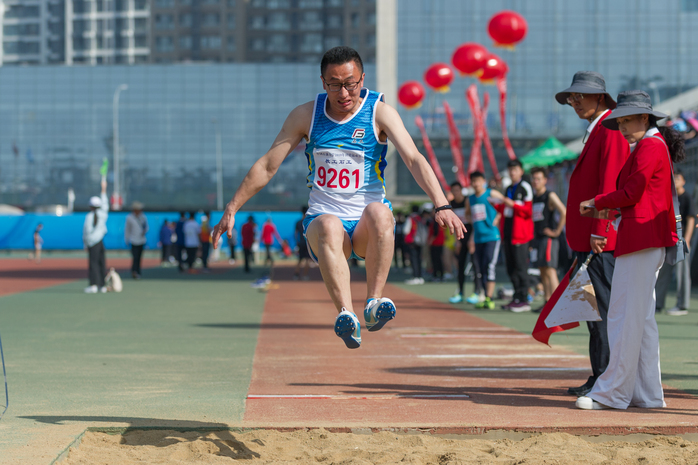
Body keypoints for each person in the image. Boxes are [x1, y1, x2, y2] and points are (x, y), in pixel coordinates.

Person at [212, 46, 465, 349]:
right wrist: (232, 206)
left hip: (365, 229)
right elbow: (268, 165)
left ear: (362, 79)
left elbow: (413, 158)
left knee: (381, 212)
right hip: (324, 225)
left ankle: (373, 304)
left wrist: (442, 204)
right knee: (330, 224)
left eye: (350, 83)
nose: (344, 92)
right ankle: (347, 315)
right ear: (323, 82)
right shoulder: (306, 115)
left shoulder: (379, 112)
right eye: (335, 84)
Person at [577, 90, 683, 410]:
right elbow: (636, 191)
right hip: (642, 238)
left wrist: (598, 202)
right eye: (619, 121)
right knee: (641, 320)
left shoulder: (650, 145)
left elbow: (632, 191)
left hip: (642, 239)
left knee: (625, 318)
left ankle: (614, 393)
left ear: (644, 117)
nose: (622, 127)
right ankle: (647, 394)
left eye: (627, 120)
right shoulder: (649, 145)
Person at [555, 71, 630, 398]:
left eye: (579, 96)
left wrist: (600, 231)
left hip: (599, 241)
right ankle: (600, 376)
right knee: (592, 313)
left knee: (602, 313)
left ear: (600, 97)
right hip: (588, 239)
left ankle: (607, 381)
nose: (574, 102)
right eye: (571, 98)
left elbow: (610, 185)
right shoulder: (597, 129)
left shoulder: (610, 129)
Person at [490, 159, 534, 312]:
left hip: (520, 235)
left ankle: (524, 299)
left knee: (521, 267)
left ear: (521, 171)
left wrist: (511, 204)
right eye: (510, 170)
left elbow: (528, 211)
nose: (512, 172)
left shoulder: (525, 187)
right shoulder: (509, 187)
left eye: (515, 169)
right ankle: (516, 298)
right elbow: (504, 208)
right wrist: (495, 203)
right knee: (511, 268)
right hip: (508, 232)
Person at [655, 169, 695, 316]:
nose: (676, 180)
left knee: (681, 273)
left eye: (678, 178)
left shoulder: (686, 197)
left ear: (684, 181)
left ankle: (682, 305)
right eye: (674, 178)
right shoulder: (669, 197)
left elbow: (691, 219)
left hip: (681, 241)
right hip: (668, 239)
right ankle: (658, 304)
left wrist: (687, 239)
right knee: (663, 272)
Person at [530, 167, 567, 311]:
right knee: (542, 269)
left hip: (549, 238)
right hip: (538, 238)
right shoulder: (534, 198)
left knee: (550, 269)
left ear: (545, 180)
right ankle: (547, 301)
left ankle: (558, 304)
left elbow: (563, 211)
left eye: (538, 178)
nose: (535, 181)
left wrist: (557, 232)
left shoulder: (549, 195)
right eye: (533, 178)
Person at [465, 171, 501, 309]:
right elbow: (468, 214)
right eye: (473, 181)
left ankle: (489, 298)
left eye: (478, 181)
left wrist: (497, 217)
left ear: (483, 181)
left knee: (489, 266)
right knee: (480, 268)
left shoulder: (491, 194)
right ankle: (484, 296)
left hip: (492, 236)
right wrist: (474, 227)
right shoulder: (471, 199)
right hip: (478, 238)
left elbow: (504, 204)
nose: (476, 184)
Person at [448, 181, 479, 304]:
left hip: (471, 236)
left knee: (475, 265)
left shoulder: (468, 201)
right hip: (461, 237)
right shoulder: (452, 204)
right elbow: (454, 225)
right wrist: (457, 241)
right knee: (460, 265)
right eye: (453, 191)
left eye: (457, 190)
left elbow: (474, 221)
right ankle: (460, 292)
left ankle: (477, 292)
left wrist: (472, 239)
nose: (455, 193)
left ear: (461, 190)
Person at [83, 178, 109, 294]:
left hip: (92, 243)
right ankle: (102, 286)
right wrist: (103, 189)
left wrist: (85, 243)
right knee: (101, 263)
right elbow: (105, 204)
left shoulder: (89, 216)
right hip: (100, 242)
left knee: (93, 264)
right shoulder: (103, 214)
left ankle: (93, 285)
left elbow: (86, 232)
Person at [124, 201, 148, 279]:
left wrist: (144, 231)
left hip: (141, 240)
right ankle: (134, 271)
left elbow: (147, 227)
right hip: (133, 240)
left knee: (139, 257)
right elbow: (127, 229)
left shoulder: (143, 217)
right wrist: (127, 239)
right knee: (135, 257)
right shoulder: (129, 217)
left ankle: (138, 271)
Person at [403, 204, 427, 285]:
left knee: (413, 259)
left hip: (412, 241)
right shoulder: (421, 218)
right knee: (419, 259)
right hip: (420, 241)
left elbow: (406, 230)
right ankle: (420, 277)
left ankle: (415, 276)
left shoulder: (411, 218)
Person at [426, 206, 445, 281]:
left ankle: (437, 275)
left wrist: (430, 241)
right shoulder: (437, 220)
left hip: (436, 243)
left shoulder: (435, 220)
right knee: (438, 259)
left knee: (435, 260)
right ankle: (440, 275)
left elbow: (435, 232)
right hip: (439, 242)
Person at [294, 206, 312, 280]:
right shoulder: (309, 222)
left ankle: (296, 275)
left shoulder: (298, 222)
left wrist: (297, 242)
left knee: (300, 259)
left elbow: (295, 234)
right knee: (308, 260)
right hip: (308, 243)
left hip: (301, 243)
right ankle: (305, 275)